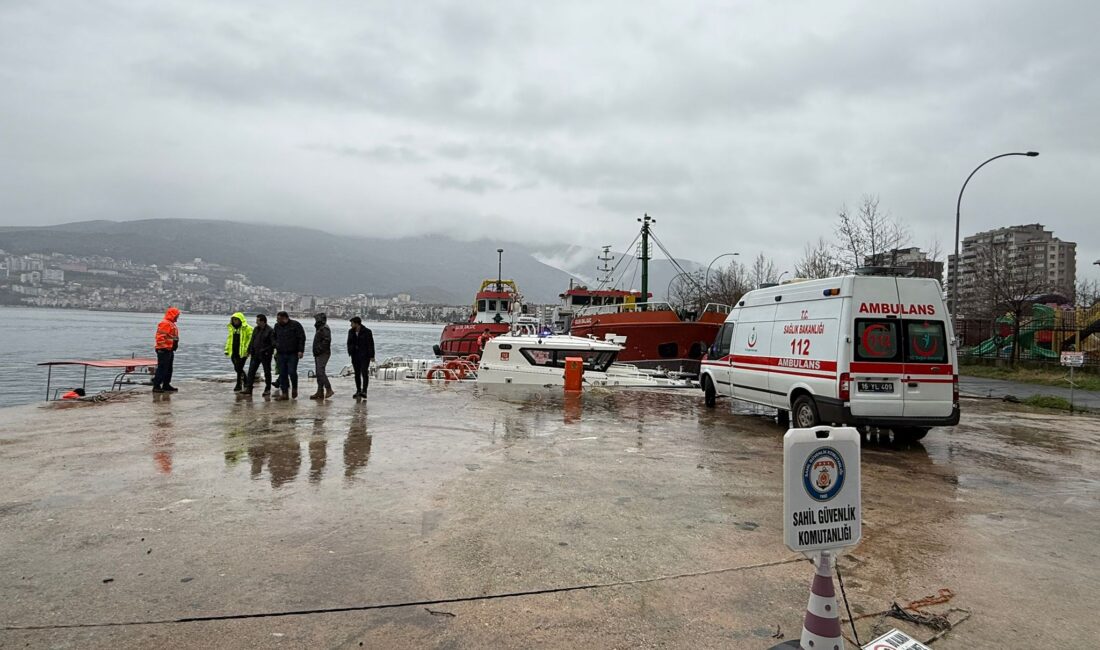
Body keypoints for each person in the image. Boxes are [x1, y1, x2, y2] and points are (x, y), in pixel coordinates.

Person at [272, 311, 306, 400]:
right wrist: (276, 344)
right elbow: (273, 337)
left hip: (293, 353)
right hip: (281, 353)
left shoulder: (296, 325)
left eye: (279, 319)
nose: (277, 320)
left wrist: (301, 350)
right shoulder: (277, 326)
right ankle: (284, 393)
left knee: (292, 371)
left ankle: (294, 387)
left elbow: (301, 338)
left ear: (285, 318)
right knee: (282, 373)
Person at [242, 314, 276, 396]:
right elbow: (252, 341)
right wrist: (248, 351)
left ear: (262, 321)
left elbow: (273, 344)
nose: (256, 322)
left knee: (267, 372)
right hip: (255, 354)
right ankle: (249, 388)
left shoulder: (270, 330)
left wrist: (266, 351)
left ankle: (267, 389)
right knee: (251, 371)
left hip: (265, 355)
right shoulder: (256, 329)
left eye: (257, 320)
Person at [152, 307, 180, 393]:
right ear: (172, 315)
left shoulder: (171, 324)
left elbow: (172, 337)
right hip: (164, 349)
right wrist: (163, 348)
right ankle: (156, 385)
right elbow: (160, 337)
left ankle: (166, 384)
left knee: (168, 368)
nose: (178, 317)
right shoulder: (165, 323)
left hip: (169, 349)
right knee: (162, 368)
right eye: (177, 315)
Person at [224, 312, 253, 393]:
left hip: (243, 352)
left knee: (239, 368)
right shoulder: (232, 329)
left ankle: (238, 384)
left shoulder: (248, 328)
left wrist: (248, 350)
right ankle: (246, 380)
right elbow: (229, 340)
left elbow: (250, 340)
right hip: (233, 351)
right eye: (233, 320)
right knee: (237, 368)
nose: (234, 321)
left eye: (236, 320)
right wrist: (226, 350)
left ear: (241, 320)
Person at [347, 316, 375, 398]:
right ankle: (358, 390)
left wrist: (372, 356)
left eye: (352, 323)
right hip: (355, 355)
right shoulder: (350, 332)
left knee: (364, 373)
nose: (350, 325)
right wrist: (350, 351)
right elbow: (349, 342)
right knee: (357, 374)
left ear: (357, 323)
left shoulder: (367, 331)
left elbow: (371, 344)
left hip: (364, 356)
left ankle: (364, 391)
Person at [310, 312, 334, 400]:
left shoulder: (325, 328)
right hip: (318, 353)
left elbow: (327, 341)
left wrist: (319, 349)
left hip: (323, 353)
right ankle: (320, 391)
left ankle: (329, 388)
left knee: (320, 372)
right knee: (318, 372)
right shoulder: (320, 328)